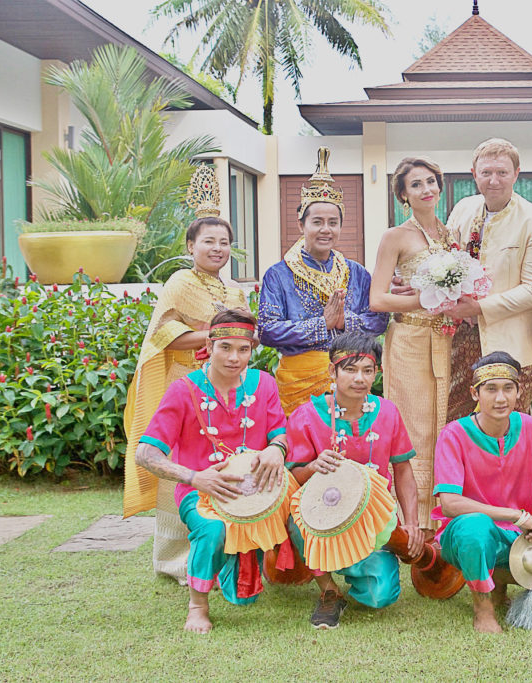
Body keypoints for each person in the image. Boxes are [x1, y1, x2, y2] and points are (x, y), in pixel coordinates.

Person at [123, 164, 249, 583]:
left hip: (228, 386)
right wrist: (212, 336)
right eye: (209, 241)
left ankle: (223, 547)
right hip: (186, 384)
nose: (217, 248)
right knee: (180, 463)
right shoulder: (179, 281)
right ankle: (174, 559)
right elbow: (162, 335)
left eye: (224, 242)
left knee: (222, 458)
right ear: (191, 244)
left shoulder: (235, 290)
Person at [133, 309, 290, 633]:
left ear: (252, 349)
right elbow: (145, 453)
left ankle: (306, 580)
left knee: (304, 507)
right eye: (226, 348)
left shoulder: (264, 383)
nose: (235, 357)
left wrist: (277, 449)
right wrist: (195, 477)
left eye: (243, 349)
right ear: (210, 344)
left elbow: (279, 432)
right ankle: (197, 606)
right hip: (200, 491)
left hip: (255, 489)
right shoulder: (184, 390)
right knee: (213, 530)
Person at [433, 351, 532, 633]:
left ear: (519, 392)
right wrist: (516, 516)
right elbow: (450, 504)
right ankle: (483, 607)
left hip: (518, 540)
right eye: (490, 389)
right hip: (465, 536)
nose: (500, 398)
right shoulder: (453, 434)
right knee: (475, 528)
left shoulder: (527, 427)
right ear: (474, 393)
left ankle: (500, 578)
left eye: (508, 388)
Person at [286, 332, 424, 629]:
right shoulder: (305, 416)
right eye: (350, 369)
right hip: (319, 518)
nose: (359, 378)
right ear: (331, 371)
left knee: (379, 596)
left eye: (368, 370)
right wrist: (312, 467)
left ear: (377, 372)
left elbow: (402, 470)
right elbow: (293, 478)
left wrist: (411, 523)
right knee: (294, 519)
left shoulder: (388, 412)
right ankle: (329, 591)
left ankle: (353, 564)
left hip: (374, 520)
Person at [259, 147, 388, 415]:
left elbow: (379, 319)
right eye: (317, 222)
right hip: (298, 377)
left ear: (341, 226)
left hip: (350, 376)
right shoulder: (278, 275)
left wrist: (343, 322)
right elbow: (267, 331)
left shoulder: (356, 272)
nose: (325, 229)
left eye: (333, 222)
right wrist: (321, 325)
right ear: (301, 225)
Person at [442, 138, 532, 420]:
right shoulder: (463, 209)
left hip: (513, 342)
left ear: (517, 174)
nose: (494, 181)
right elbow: (442, 262)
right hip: (459, 338)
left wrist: (478, 308)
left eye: (502, 173)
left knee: (508, 425)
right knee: (455, 422)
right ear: (474, 174)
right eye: (486, 173)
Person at [369, 157, 453, 532]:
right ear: (403, 194)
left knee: (439, 424)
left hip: (442, 339)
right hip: (408, 338)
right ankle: (407, 520)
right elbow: (377, 299)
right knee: (412, 425)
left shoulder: (448, 235)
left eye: (431, 181)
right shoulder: (396, 236)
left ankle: (435, 516)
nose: (426, 190)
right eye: (416, 184)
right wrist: (424, 301)